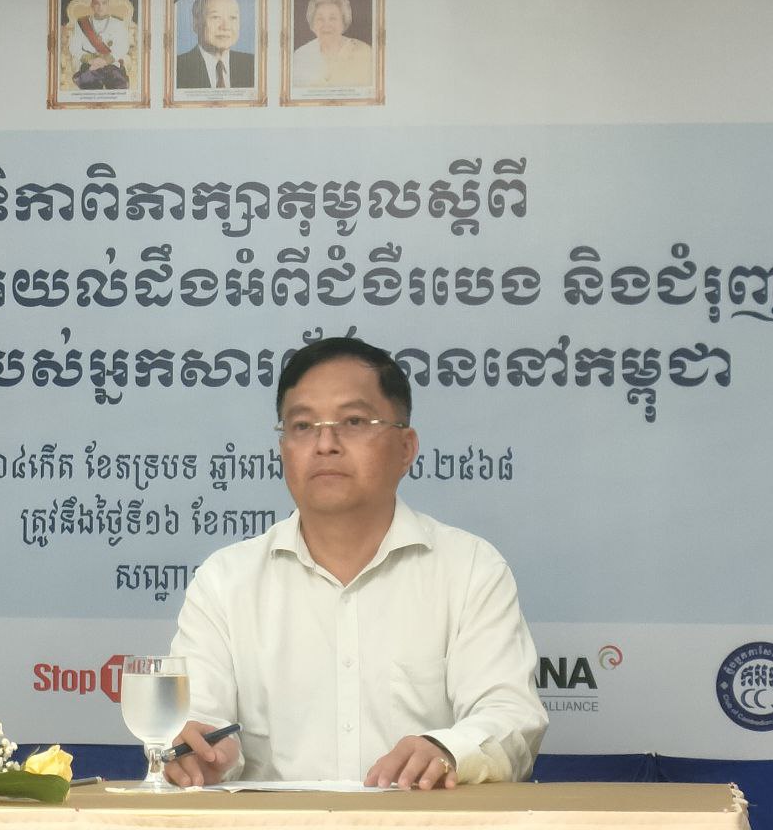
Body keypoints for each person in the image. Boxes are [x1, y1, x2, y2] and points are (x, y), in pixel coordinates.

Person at [166, 336, 547, 789]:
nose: (325, 443)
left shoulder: (469, 570)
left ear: (406, 448)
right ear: (283, 448)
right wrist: (203, 755)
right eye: (303, 425)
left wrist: (447, 750)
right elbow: (198, 718)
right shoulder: (225, 581)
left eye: (353, 421)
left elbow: (511, 718)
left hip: (422, 821)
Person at [291, 0, 374, 88]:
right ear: (312, 24)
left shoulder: (365, 53)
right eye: (320, 19)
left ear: (344, 22)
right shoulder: (300, 56)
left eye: (333, 18)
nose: (326, 25)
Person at [175, 0, 254, 89]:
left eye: (233, 18)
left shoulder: (252, 64)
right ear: (196, 24)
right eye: (215, 17)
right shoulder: (177, 67)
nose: (225, 27)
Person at [67, 0, 131, 90]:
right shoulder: (82, 23)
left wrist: (105, 61)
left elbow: (123, 46)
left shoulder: (118, 23)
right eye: (97, 3)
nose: (100, 6)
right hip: (89, 65)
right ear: (92, 5)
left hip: (111, 64)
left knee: (118, 86)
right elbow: (74, 47)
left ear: (108, 5)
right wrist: (91, 60)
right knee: (89, 85)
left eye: (104, 3)